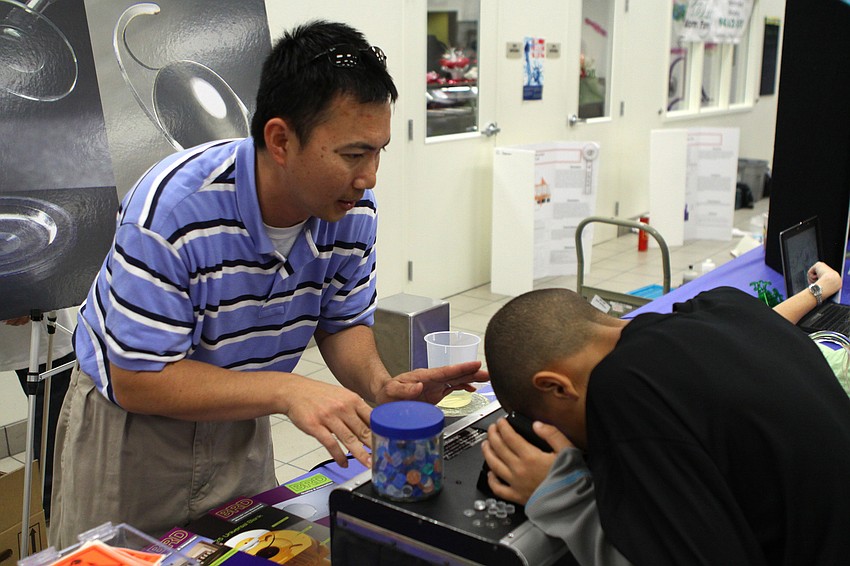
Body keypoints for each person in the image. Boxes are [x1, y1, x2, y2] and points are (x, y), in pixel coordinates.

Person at [49, 20, 485, 546]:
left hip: (241, 414)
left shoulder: (350, 209)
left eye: (378, 152)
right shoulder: (171, 211)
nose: (369, 176)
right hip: (133, 436)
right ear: (280, 139)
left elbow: (342, 321)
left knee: (243, 549)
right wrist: (287, 389)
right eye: (353, 154)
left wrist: (380, 385)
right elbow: (138, 379)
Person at [481, 261, 850, 566]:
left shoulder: (623, 387)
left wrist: (562, 495)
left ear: (557, 386)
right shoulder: (726, 307)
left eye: (547, 423)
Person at [1, 307, 77, 522]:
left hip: (28, 318)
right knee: (55, 417)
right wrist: (18, 296)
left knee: (55, 412)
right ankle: (54, 509)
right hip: (29, 320)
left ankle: (54, 504)